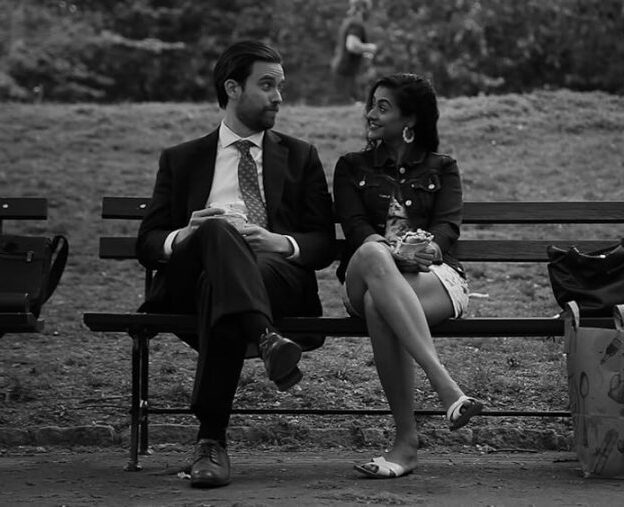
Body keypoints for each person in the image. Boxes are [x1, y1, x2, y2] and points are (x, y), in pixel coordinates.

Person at [136, 40, 336, 488]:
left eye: (281, 86)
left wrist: (278, 241)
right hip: (191, 272)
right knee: (216, 229)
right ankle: (265, 336)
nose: (278, 97)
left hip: (272, 274)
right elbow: (147, 241)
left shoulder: (301, 156)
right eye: (267, 85)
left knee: (219, 286)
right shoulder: (183, 159)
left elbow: (323, 241)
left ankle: (210, 440)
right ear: (232, 87)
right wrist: (186, 235)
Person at [333, 73, 483, 479]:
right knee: (372, 251)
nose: (370, 114)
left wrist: (430, 248)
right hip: (366, 271)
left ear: (410, 119)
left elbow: (448, 228)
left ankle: (406, 444)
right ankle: (446, 387)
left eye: (383, 107)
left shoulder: (443, 168)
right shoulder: (351, 167)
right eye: (371, 104)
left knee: (378, 306)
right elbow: (355, 228)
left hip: (432, 278)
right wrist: (392, 251)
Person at [330, 0, 378, 103]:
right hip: (347, 72)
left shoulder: (348, 21)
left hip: (341, 70)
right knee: (351, 106)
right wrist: (370, 48)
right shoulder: (357, 24)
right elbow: (352, 45)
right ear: (362, 8)